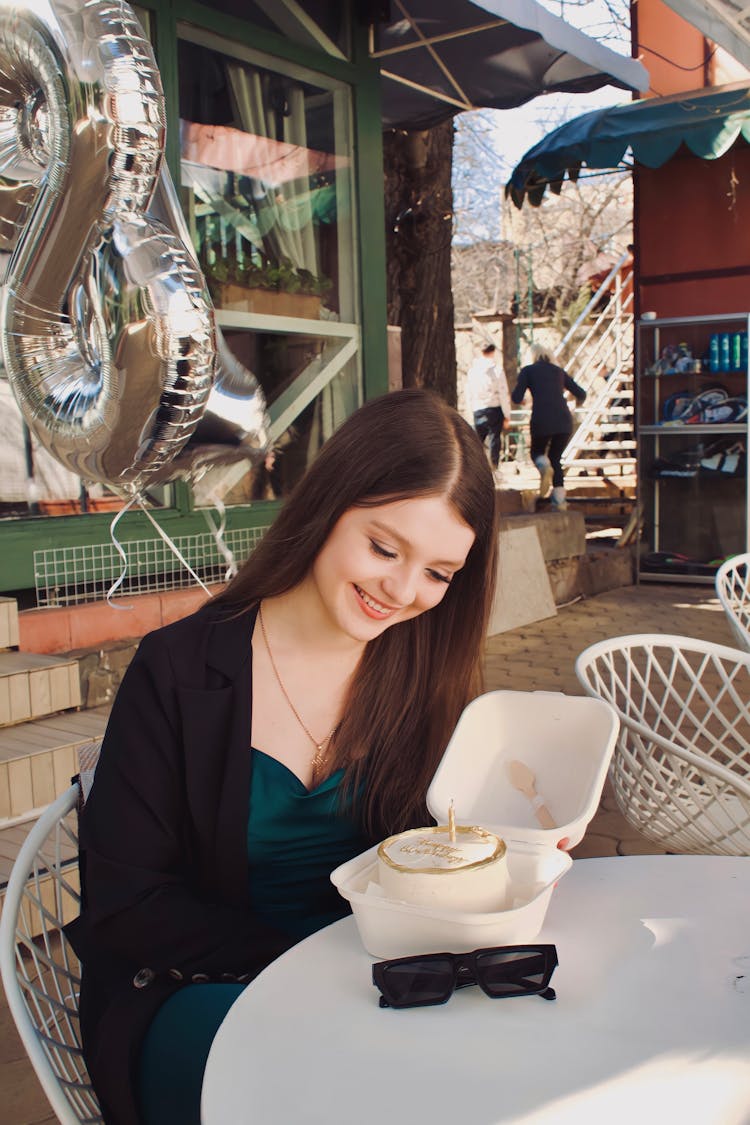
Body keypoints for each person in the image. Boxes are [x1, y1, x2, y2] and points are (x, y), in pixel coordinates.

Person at [65, 388, 499, 1125]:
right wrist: (316, 966)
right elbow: (129, 905)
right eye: (384, 548)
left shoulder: (431, 677)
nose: (401, 591)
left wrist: (512, 845)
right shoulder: (179, 669)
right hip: (200, 990)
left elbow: (440, 861)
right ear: (328, 506)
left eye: (438, 573)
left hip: (382, 992)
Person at [511, 343, 587, 510]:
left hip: (541, 418)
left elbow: (516, 397)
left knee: (536, 452)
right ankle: (559, 502)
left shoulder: (528, 371)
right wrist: (576, 404)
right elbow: (581, 393)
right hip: (564, 420)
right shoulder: (558, 371)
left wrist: (524, 399)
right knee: (556, 458)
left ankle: (544, 466)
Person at [465, 341, 512, 471]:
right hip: (494, 407)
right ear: (493, 352)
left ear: (481, 352)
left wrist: (470, 411)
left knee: (478, 441)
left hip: (478, 408)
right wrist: (507, 414)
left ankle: (476, 469)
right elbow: (503, 393)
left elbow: (469, 392)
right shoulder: (497, 370)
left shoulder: (472, 371)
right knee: (494, 439)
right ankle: (494, 468)